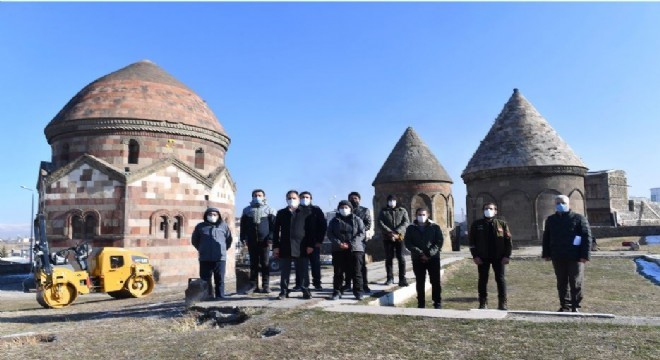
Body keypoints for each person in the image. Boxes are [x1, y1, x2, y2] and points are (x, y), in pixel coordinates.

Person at [542, 195, 592, 313]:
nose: (560, 205)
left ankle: (575, 305)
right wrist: (546, 253)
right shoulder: (551, 220)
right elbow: (546, 238)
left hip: (575, 256)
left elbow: (586, 237)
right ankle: (565, 305)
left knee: (576, 282)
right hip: (558, 255)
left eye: (563, 202)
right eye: (557, 203)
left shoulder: (579, 218)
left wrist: (585, 255)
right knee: (561, 282)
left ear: (568, 204)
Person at [468, 202, 512, 310]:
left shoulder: (502, 224)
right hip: (482, 257)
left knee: (500, 279)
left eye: (491, 209)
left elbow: (508, 241)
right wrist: (475, 256)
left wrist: (507, 255)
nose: (488, 210)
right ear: (483, 211)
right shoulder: (476, 224)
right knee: (482, 279)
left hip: (499, 257)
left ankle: (502, 303)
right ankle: (483, 303)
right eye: (486, 208)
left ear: (495, 211)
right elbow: (472, 242)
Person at [273, 190, 315, 300]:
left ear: (298, 199)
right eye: (289, 198)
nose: (292, 200)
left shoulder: (306, 212)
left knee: (303, 270)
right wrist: (276, 246)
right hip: (285, 246)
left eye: (294, 198)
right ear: (286, 200)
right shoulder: (281, 213)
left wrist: (310, 245)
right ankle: (284, 291)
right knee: (285, 271)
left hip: (302, 246)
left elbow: (310, 231)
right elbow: (276, 231)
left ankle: (305, 290)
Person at [404, 208, 443, 309]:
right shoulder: (411, 228)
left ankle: (437, 302)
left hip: (433, 258)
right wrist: (420, 253)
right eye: (419, 215)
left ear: (428, 215)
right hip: (418, 258)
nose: (421, 216)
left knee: (435, 281)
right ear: (415, 215)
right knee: (420, 281)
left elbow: (439, 242)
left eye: (423, 214)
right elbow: (408, 243)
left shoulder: (434, 227)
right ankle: (421, 303)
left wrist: (429, 254)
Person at [327, 200, 366, 300]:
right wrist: (339, 243)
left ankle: (358, 292)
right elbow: (330, 234)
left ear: (350, 209)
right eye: (342, 207)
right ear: (338, 209)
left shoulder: (357, 220)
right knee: (338, 272)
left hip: (355, 249)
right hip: (338, 249)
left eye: (346, 207)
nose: (344, 209)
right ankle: (337, 291)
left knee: (357, 271)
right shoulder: (334, 221)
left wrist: (350, 244)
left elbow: (361, 233)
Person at [239, 189, 276, 294]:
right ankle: (253, 286)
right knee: (253, 264)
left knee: (265, 263)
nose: (257, 197)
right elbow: (243, 226)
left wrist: (270, 238)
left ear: (264, 197)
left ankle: (266, 285)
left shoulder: (270, 210)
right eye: (255, 195)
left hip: (264, 241)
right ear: (252, 197)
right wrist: (243, 238)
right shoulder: (247, 210)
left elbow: (274, 227)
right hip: (251, 241)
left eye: (259, 195)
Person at [191, 207, 233, 299]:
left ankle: (220, 296)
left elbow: (229, 239)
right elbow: (195, 240)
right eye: (210, 214)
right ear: (206, 216)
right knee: (205, 279)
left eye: (215, 214)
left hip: (220, 257)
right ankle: (207, 296)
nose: (212, 216)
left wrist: (222, 249)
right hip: (205, 257)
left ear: (218, 216)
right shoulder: (200, 226)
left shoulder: (223, 226)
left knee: (220, 279)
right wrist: (202, 248)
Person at [292, 191, 327, 291]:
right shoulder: (296, 210)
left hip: (314, 242)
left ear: (311, 199)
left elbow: (323, 226)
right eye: (302, 197)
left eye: (307, 197)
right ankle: (299, 283)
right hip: (299, 243)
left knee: (315, 263)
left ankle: (317, 283)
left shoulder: (316, 210)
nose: (305, 199)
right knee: (299, 264)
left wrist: (319, 241)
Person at [342, 191, 373, 293]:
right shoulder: (346, 211)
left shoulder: (364, 211)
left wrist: (358, 232)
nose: (353, 200)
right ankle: (347, 284)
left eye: (355, 198)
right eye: (351, 198)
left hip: (360, 241)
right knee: (347, 264)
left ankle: (364, 285)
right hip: (346, 241)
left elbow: (368, 224)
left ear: (359, 199)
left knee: (361, 265)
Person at [378, 194, 410, 286]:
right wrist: (389, 232)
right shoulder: (383, 211)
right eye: (389, 200)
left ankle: (402, 278)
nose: (391, 202)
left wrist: (397, 232)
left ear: (396, 201)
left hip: (399, 237)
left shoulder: (402, 210)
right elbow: (380, 222)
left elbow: (406, 222)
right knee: (389, 258)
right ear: (387, 202)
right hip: (387, 237)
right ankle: (389, 278)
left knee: (401, 258)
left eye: (393, 200)